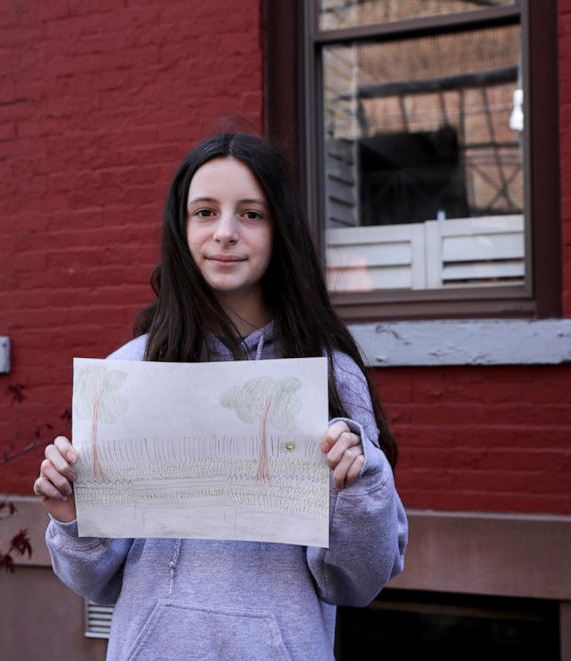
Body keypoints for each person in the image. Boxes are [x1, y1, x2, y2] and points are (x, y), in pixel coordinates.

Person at [34, 132, 407, 660]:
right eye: (205, 212)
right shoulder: (129, 372)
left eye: (251, 214)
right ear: (180, 228)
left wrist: (361, 481)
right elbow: (94, 580)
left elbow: (358, 583)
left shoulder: (333, 378)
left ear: (281, 229)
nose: (226, 233)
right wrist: (72, 515)